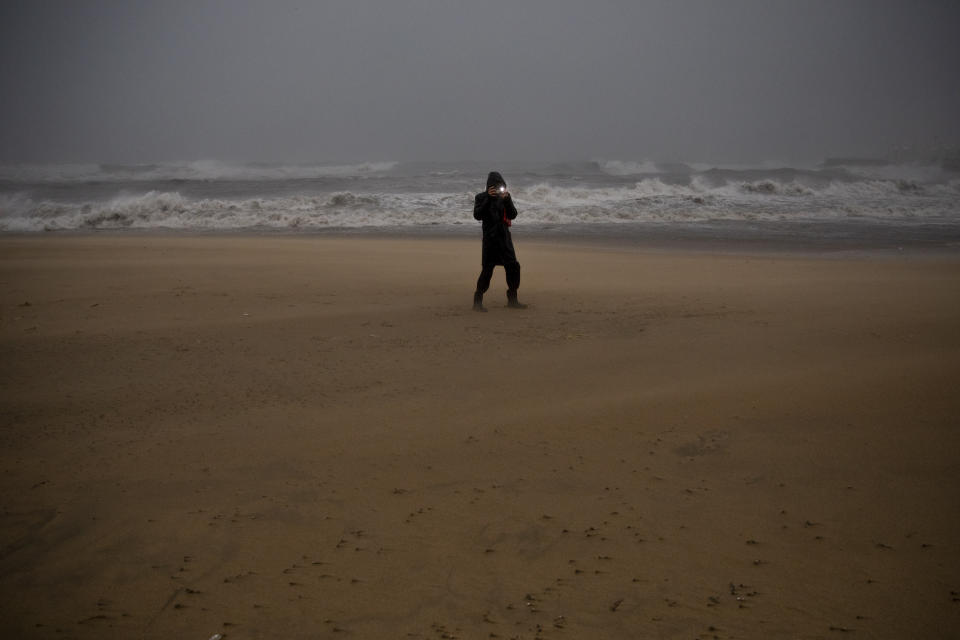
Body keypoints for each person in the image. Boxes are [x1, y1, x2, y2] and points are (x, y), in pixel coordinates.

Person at [472, 171, 527, 311]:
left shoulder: (505, 198)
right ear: (488, 186)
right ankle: (477, 301)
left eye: (500, 186)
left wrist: (507, 200)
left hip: (504, 239)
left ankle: (512, 299)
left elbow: (513, 215)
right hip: (490, 241)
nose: (498, 189)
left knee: (513, 267)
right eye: (495, 186)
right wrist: (488, 199)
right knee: (487, 271)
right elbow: (477, 215)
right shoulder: (481, 197)